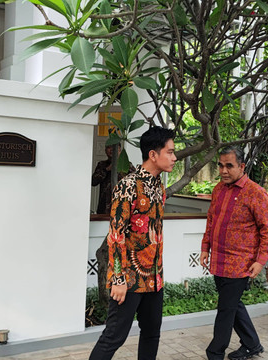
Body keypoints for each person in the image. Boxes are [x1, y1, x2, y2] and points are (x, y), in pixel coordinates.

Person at [89, 126, 177, 360]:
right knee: (113, 338)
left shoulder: (159, 186)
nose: (174, 157)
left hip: (154, 279)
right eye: (169, 152)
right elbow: (116, 236)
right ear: (153, 154)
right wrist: (118, 279)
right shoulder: (128, 186)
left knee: (151, 334)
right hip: (128, 280)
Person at [200, 146, 268, 360]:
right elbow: (211, 221)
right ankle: (252, 344)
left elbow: (267, 232)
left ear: (241, 166)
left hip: (240, 264)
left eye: (229, 166)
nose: (223, 170)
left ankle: (215, 352)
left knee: (225, 310)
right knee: (232, 304)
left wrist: (260, 262)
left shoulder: (256, 193)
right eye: (221, 165)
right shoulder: (218, 190)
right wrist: (205, 248)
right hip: (219, 261)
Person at [91, 145, 135, 214]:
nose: (112, 150)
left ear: (120, 150)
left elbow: (136, 183)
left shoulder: (127, 165)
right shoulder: (102, 165)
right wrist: (107, 169)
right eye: (109, 147)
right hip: (104, 208)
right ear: (105, 150)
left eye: (115, 147)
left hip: (122, 206)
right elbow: (94, 182)